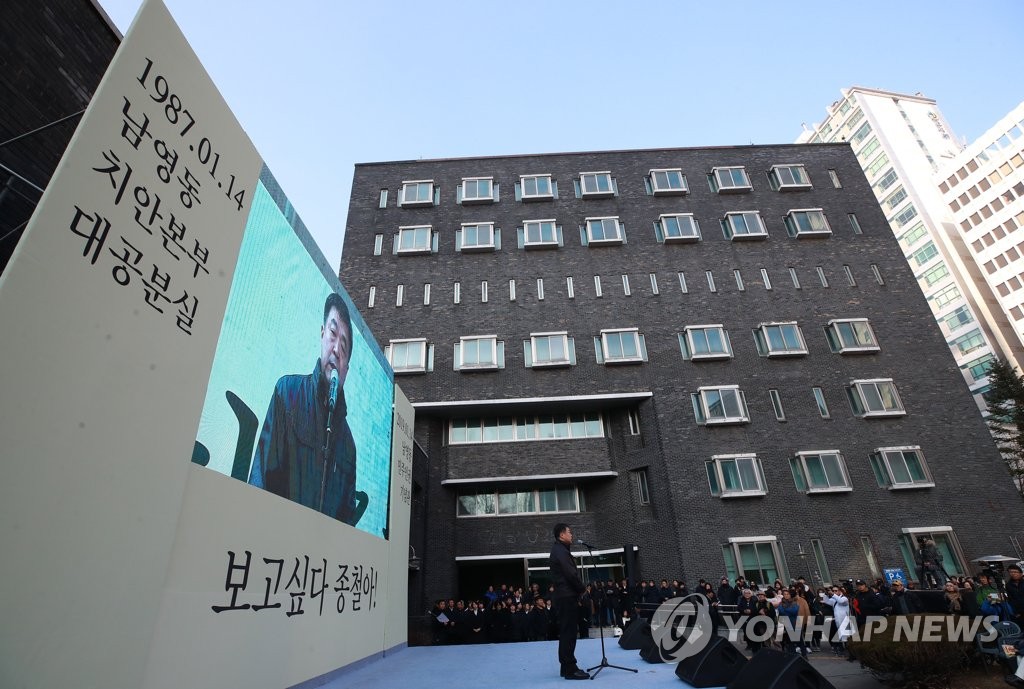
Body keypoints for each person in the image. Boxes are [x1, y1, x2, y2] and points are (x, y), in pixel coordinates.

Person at [248, 293, 359, 524]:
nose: (336, 349)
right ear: (322, 334)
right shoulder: (287, 392)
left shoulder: (348, 445)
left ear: (346, 369)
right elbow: (260, 481)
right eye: (332, 334)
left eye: (344, 346)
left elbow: (346, 523)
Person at [549, 523, 589, 680]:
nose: (571, 535)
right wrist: (582, 589)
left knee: (567, 632)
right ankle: (570, 669)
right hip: (566, 596)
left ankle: (565, 667)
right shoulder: (561, 551)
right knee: (569, 633)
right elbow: (571, 574)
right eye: (569, 532)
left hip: (564, 596)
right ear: (561, 535)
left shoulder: (559, 550)